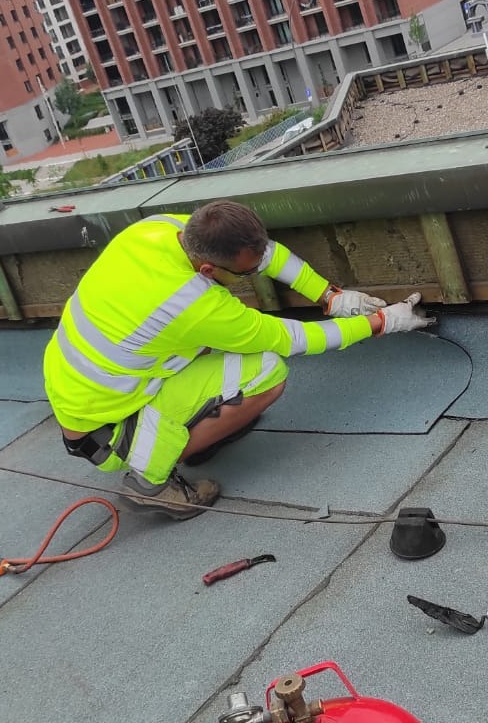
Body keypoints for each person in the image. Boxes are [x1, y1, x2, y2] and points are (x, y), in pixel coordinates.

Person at [44, 201, 433, 520]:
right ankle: (149, 481)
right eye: (245, 273)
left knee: (221, 347)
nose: (253, 274)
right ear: (208, 270)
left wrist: (331, 296)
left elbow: (268, 256)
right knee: (266, 371)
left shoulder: (158, 230)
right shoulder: (193, 305)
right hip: (105, 430)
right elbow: (294, 338)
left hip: (82, 386)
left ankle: (192, 435)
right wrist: (382, 323)